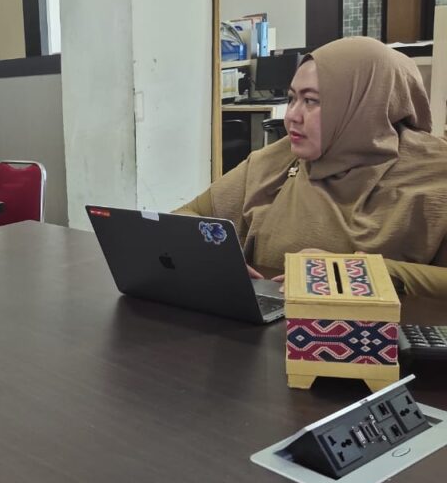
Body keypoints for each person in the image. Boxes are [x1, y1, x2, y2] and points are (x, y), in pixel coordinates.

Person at [176, 36, 447, 295]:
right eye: (292, 98)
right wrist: (214, 254)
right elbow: (185, 217)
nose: (291, 116)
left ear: (367, 104)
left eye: (311, 101)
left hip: (385, 328)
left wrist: (365, 272)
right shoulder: (278, 161)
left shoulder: (434, 175)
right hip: (268, 324)